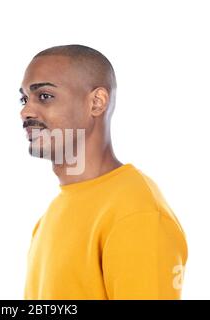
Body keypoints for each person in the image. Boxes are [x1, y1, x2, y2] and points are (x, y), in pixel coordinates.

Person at [19, 44, 188, 300]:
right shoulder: (53, 213)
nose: (25, 111)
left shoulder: (136, 213)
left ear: (96, 102)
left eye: (44, 96)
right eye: (24, 99)